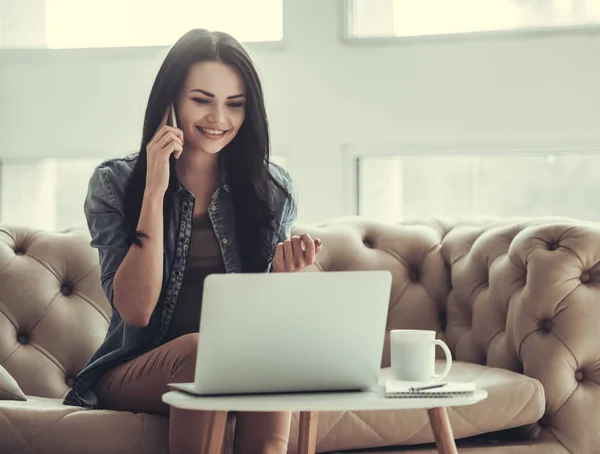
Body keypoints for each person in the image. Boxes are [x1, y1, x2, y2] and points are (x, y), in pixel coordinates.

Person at [64, 29, 322, 454]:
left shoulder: (273, 188)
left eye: (234, 105)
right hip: (136, 368)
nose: (219, 118)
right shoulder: (115, 182)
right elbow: (136, 310)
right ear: (170, 103)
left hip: (236, 366)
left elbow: (261, 326)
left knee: (274, 359)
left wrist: (281, 277)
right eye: (202, 100)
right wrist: (154, 190)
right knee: (205, 353)